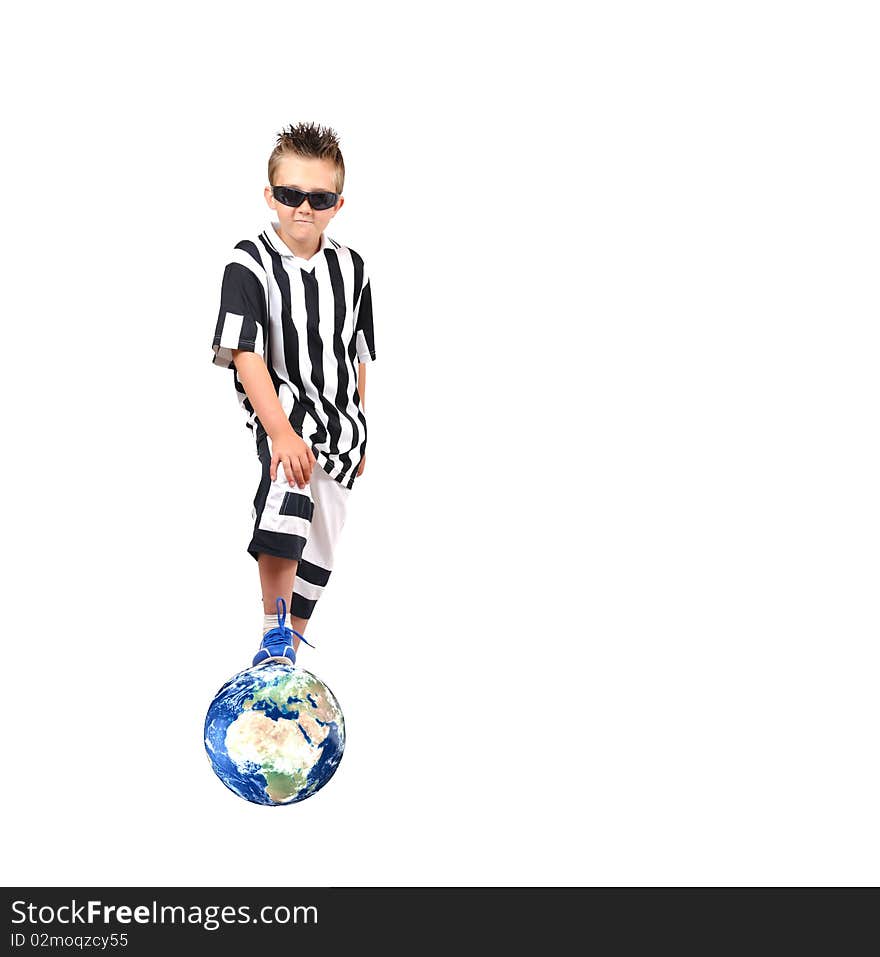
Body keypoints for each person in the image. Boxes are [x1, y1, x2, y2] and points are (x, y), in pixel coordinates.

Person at [211, 121, 376, 667]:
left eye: (318, 197)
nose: (303, 208)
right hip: (287, 415)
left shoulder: (351, 269)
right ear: (271, 196)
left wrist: (361, 423)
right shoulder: (249, 260)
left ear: (337, 203)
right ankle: (274, 632)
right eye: (290, 195)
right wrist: (280, 431)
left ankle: (285, 651)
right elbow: (244, 351)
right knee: (286, 504)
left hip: (340, 426)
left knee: (323, 538)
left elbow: (357, 353)